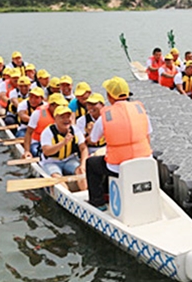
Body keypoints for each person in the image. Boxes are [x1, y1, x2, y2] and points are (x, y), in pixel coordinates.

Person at [86, 76, 153, 210]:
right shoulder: (141, 110)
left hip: (119, 167)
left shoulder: (105, 115)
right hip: (145, 161)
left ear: (110, 96)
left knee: (91, 164)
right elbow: (148, 134)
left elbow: (93, 140)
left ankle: (98, 202)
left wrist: (87, 135)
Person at [40, 105, 88, 191]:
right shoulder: (47, 132)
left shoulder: (75, 130)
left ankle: (85, 193)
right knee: (56, 176)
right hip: (51, 162)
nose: (66, 119)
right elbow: (46, 151)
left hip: (70, 160)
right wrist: (63, 142)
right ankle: (67, 194)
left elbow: (83, 148)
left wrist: (83, 164)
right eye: (62, 117)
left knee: (81, 171)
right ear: (55, 119)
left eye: (68, 117)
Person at [23, 93, 69, 159]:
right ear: (51, 105)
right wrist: (26, 151)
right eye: (58, 105)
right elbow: (28, 133)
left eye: (63, 105)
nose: (61, 108)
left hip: (57, 141)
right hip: (38, 142)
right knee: (35, 151)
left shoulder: (66, 114)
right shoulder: (38, 113)